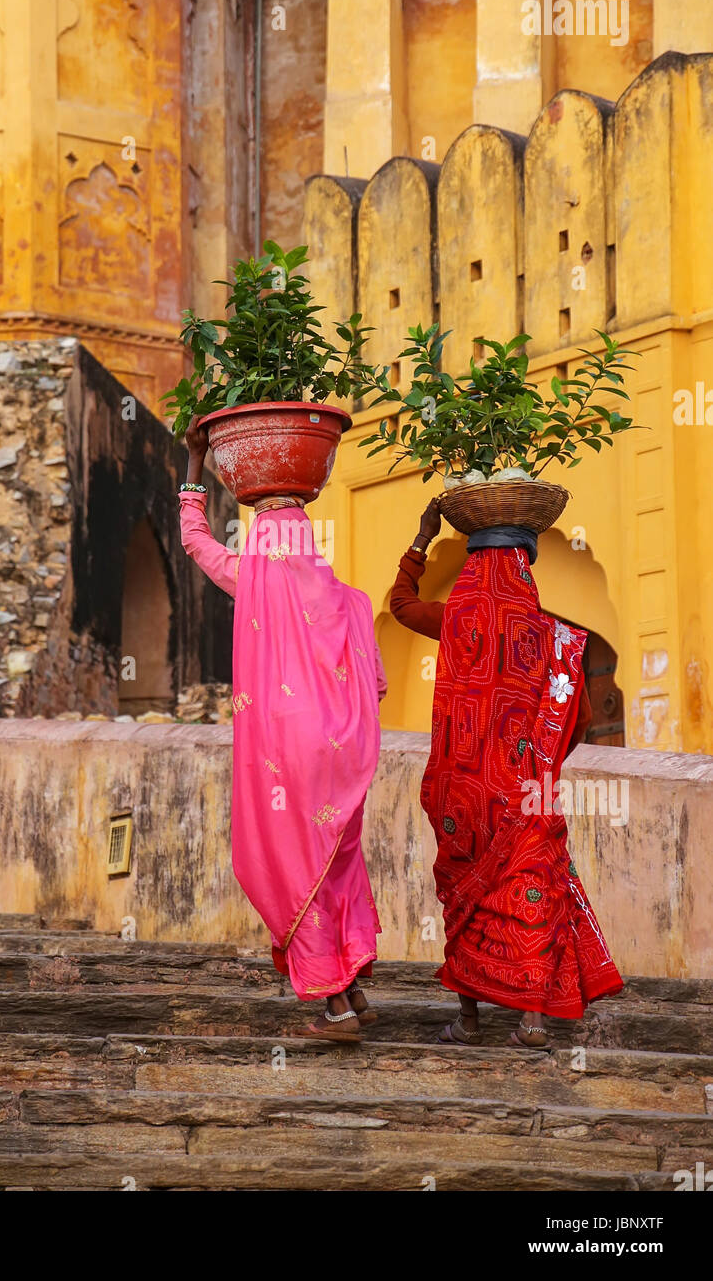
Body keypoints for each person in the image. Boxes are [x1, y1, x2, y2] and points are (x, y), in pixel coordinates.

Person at [178, 417, 387, 1042]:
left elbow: (195, 541)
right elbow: (375, 686)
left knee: (294, 865)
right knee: (335, 861)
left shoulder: (252, 580)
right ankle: (352, 985)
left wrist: (194, 467)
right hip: (342, 755)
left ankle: (335, 1006)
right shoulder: (350, 600)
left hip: (280, 755)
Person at [391, 501, 624, 1048]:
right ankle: (531, 1022)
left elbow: (400, 606)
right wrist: (537, 761)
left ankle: (469, 1021)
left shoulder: (454, 619)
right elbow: (582, 717)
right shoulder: (553, 639)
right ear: (526, 567)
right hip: (527, 793)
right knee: (530, 897)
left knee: (464, 897)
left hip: (462, 795)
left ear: (473, 567)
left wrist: (422, 539)